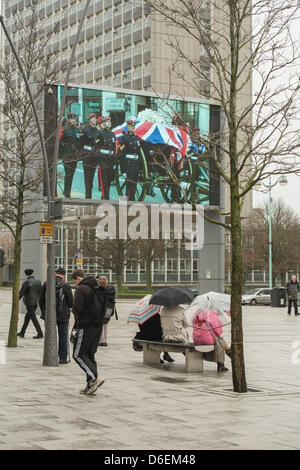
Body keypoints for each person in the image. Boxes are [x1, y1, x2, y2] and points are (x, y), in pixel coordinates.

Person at [71, 269, 105, 395]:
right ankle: (90, 384)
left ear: (78, 278)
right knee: (89, 355)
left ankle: (94, 378)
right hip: (98, 326)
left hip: (85, 326)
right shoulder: (96, 286)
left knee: (78, 354)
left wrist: (72, 309)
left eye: (74, 281)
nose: (75, 284)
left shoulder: (81, 289)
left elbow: (78, 309)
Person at [39, 267, 73, 364]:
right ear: (64, 275)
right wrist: (69, 310)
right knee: (63, 336)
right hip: (63, 316)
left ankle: (50, 357)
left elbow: (41, 300)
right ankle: (63, 358)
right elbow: (71, 302)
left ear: (55, 273)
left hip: (49, 315)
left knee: (49, 335)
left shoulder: (47, 284)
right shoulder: (66, 285)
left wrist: (44, 312)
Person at [119, 117, 142, 201]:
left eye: (134, 126)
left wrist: (141, 167)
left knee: (133, 188)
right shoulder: (124, 138)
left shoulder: (137, 138)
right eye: (131, 126)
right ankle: (125, 207)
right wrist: (123, 171)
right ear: (128, 127)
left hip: (136, 166)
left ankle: (131, 207)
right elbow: (121, 155)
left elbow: (139, 154)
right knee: (128, 188)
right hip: (128, 165)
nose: (133, 127)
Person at [59, 112, 81, 198]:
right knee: (67, 174)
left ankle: (68, 191)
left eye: (74, 119)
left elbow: (79, 142)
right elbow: (61, 143)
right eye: (71, 119)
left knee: (72, 174)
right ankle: (66, 191)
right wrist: (61, 155)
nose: (73, 121)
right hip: (67, 154)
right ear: (68, 120)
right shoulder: (65, 129)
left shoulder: (77, 130)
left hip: (74, 155)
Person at [80, 113, 101, 199]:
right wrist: (83, 155)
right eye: (92, 119)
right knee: (87, 179)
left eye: (95, 119)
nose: (94, 120)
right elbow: (80, 144)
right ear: (89, 120)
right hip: (87, 157)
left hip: (94, 158)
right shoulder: (85, 130)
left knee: (91, 179)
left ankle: (89, 196)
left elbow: (98, 143)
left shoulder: (97, 131)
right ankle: (87, 197)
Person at [18, 269, 43, 339]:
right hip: (35, 303)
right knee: (27, 317)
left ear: (26, 274)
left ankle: (40, 333)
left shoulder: (26, 282)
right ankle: (22, 332)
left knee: (33, 318)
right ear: (32, 273)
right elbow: (40, 292)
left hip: (29, 303)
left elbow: (21, 293)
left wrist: (16, 300)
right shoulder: (38, 281)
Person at [97, 116, 117, 200]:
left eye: (110, 121)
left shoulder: (113, 134)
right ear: (104, 124)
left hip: (110, 162)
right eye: (107, 121)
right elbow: (97, 148)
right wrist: (98, 162)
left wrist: (115, 162)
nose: (109, 123)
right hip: (103, 161)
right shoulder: (100, 133)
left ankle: (104, 198)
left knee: (108, 182)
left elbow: (113, 149)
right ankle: (106, 199)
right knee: (104, 182)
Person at [97, 275, 116, 347]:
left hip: (101, 309)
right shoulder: (111, 289)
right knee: (106, 325)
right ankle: (105, 340)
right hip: (109, 309)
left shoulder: (98, 290)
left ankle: (101, 341)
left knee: (100, 325)